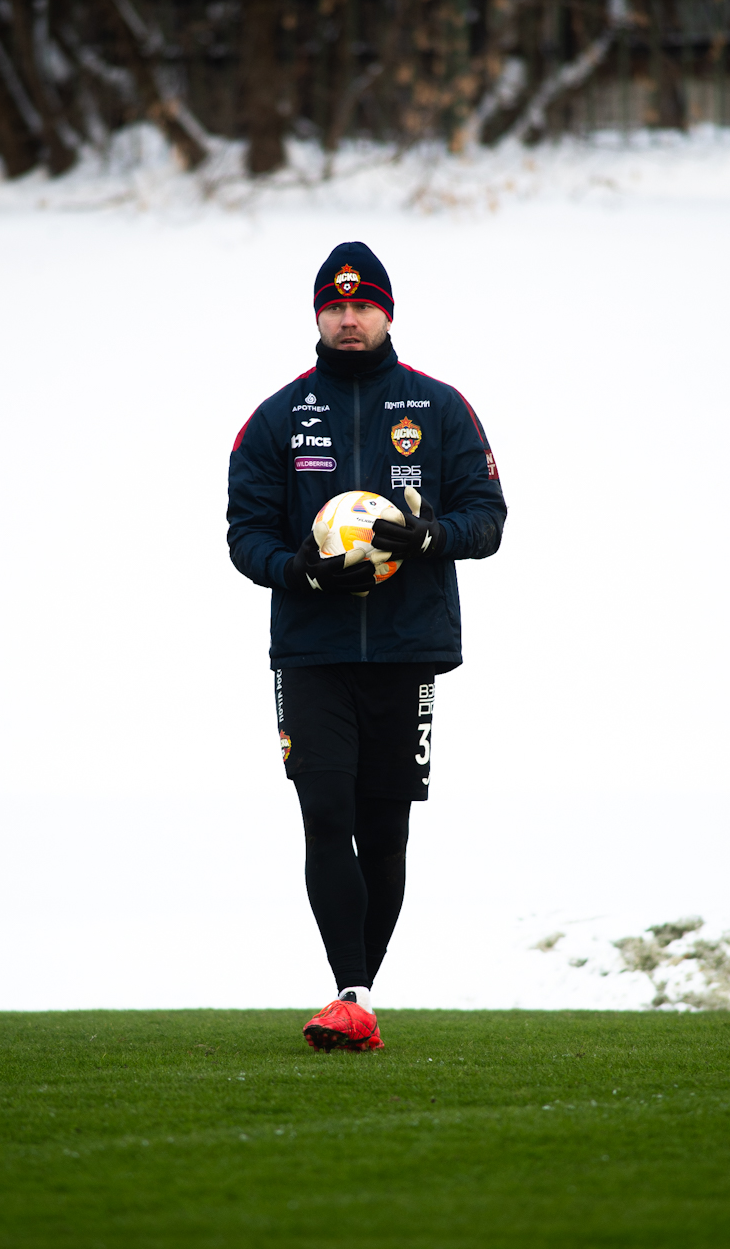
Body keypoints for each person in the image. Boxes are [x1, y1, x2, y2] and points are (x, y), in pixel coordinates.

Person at [227, 242, 506, 1051]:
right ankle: (351, 994)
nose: (349, 320)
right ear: (319, 315)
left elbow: (488, 518)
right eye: (336, 307)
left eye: (363, 306)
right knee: (325, 816)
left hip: (406, 648)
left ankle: (357, 997)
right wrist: (299, 571)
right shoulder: (278, 417)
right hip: (311, 654)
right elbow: (245, 534)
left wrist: (429, 537)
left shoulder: (440, 408)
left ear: (387, 313)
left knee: (384, 834)